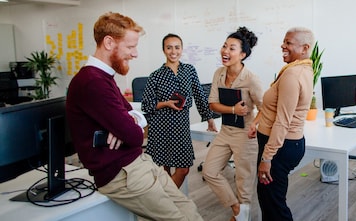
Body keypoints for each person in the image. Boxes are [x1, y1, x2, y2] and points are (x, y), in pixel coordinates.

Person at [66, 12, 203, 221]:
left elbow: (135, 115)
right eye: (130, 47)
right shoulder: (92, 82)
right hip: (121, 174)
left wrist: (130, 121)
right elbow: (136, 136)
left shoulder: (105, 77)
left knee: (189, 210)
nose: (135, 53)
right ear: (109, 42)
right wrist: (129, 126)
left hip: (138, 162)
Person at [251, 27, 315, 221]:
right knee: (270, 198)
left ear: (304, 48)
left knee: (274, 204)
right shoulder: (303, 68)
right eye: (284, 41)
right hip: (288, 144)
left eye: (288, 43)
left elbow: (282, 121)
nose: (283, 46)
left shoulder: (292, 75)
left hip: (279, 147)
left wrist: (267, 158)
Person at [202, 27, 264, 221]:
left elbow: (266, 108)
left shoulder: (251, 79)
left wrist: (255, 123)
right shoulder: (219, 73)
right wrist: (232, 110)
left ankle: (242, 215)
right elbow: (212, 103)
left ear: (243, 54)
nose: (225, 51)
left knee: (244, 180)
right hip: (225, 131)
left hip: (245, 133)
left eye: (232, 48)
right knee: (209, 171)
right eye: (224, 46)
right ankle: (236, 207)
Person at [141, 33, 217, 188]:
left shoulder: (189, 70)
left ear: (182, 49)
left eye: (177, 47)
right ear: (163, 50)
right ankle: (169, 205)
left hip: (181, 126)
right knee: (164, 170)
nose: (173, 51)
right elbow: (146, 105)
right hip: (160, 127)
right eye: (169, 48)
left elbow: (199, 95)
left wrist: (209, 118)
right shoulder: (155, 76)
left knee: (183, 169)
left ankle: (167, 201)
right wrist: (166, 103)